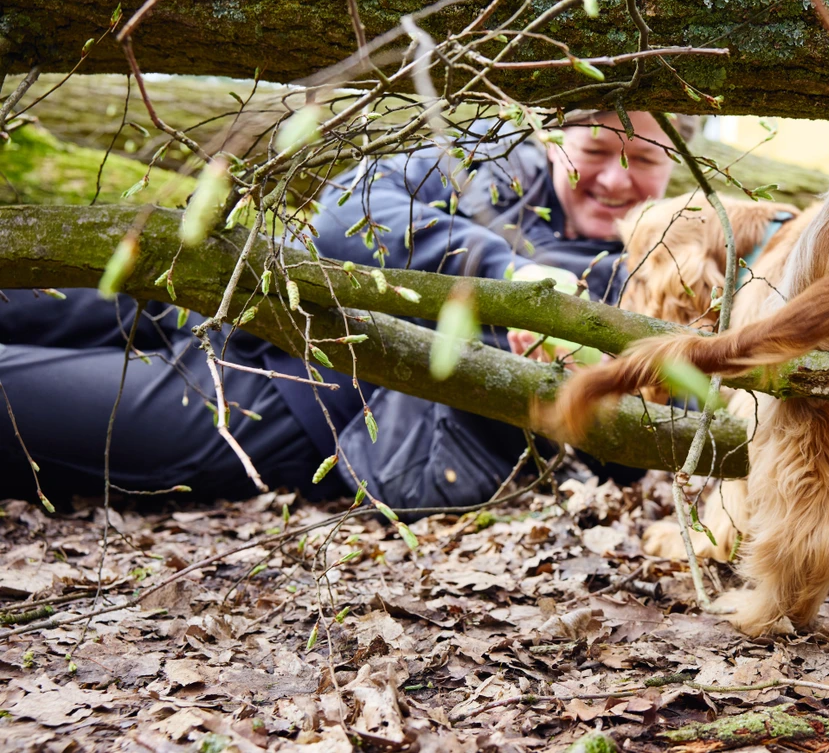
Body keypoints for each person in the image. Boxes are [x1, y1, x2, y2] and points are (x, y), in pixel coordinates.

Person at [0, 110, 685, 512]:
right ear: (551, 137)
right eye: (596, 149)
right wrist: (503, 272)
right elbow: (349, 213)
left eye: (644, 159)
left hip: (292, 402)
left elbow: (638, 442)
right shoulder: (490, 157)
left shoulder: (653, 276)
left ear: (673, 168)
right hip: (232, 296)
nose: (617, 178)